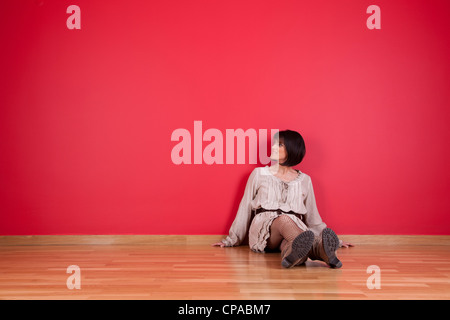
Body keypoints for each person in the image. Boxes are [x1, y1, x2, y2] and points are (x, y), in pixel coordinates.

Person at [212, 130, 353, 268]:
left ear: (292, 149)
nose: (273, 147)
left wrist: (337, 241)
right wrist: (232, 239)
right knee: (284, 220)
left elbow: (312, 216)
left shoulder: (305, 180)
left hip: (294, 230)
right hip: (265, 231)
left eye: (279, 145)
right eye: (274, 143)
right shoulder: (259, 173)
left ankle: (296, 256)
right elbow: (245, 207)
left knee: (291, 244)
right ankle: (317, 249)